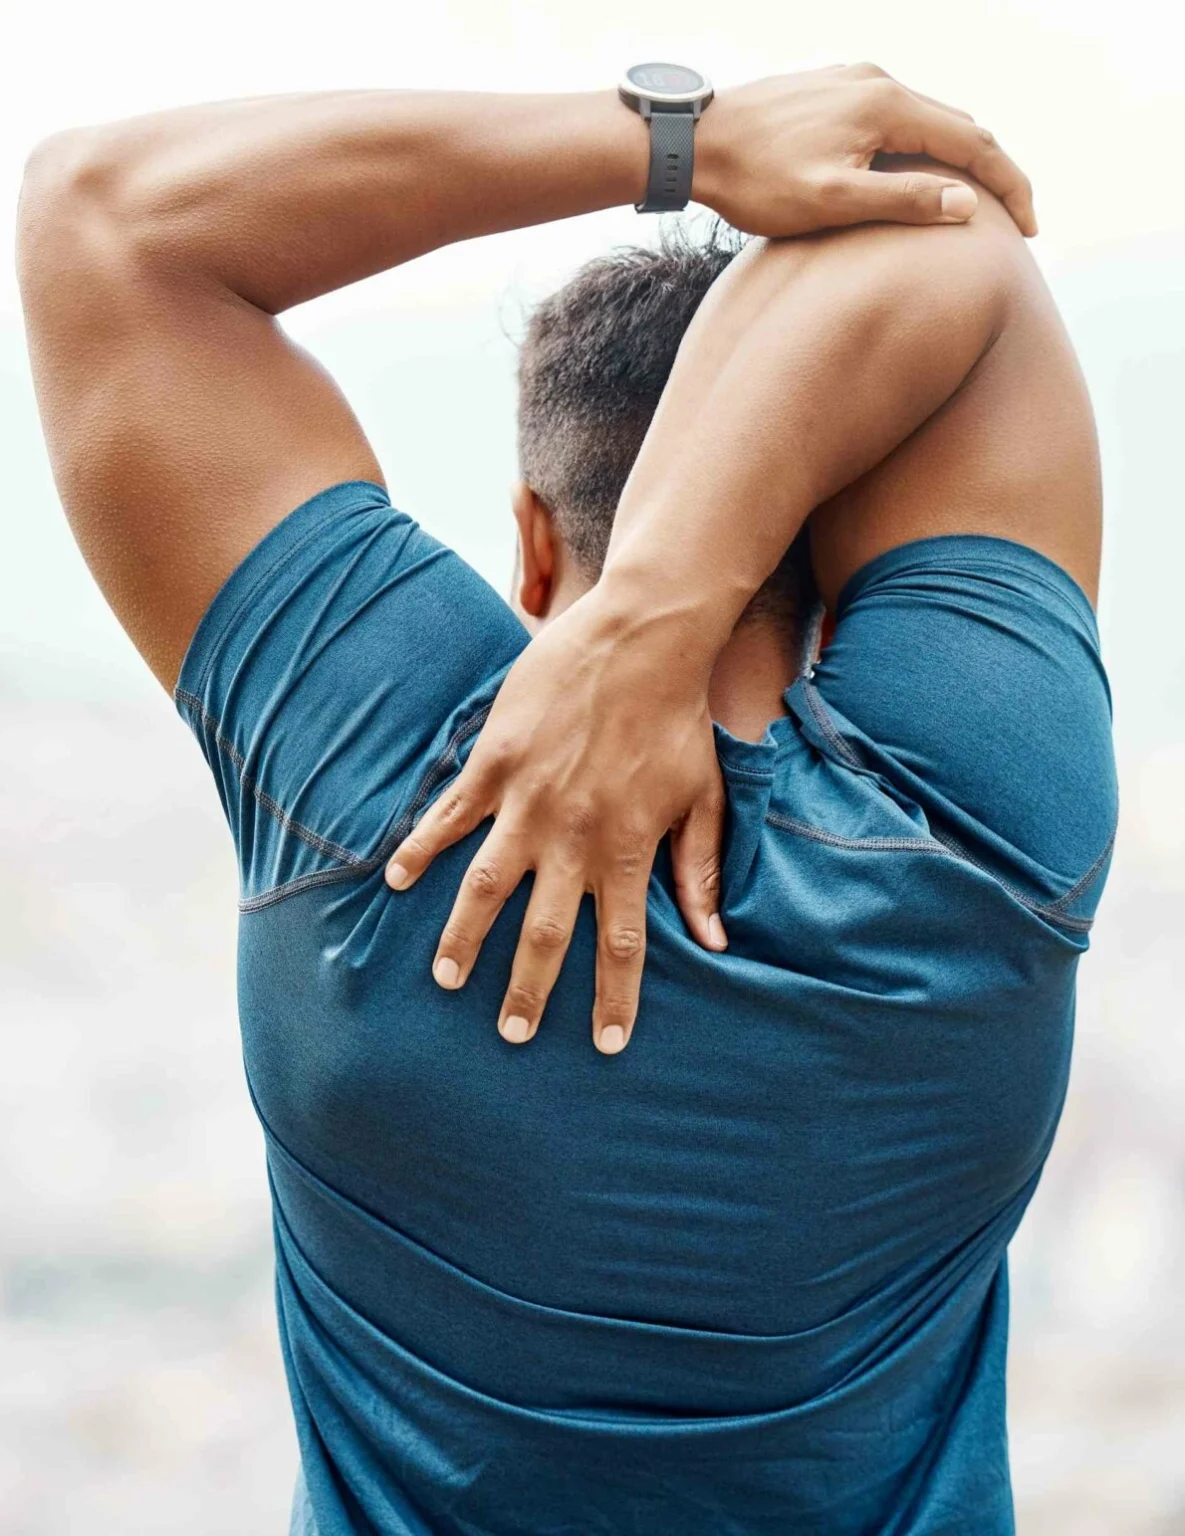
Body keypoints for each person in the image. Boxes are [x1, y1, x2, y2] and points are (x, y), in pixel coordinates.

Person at [16, 67, 1114, 1535]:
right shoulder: (975, 834)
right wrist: (671, 602)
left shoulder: (382, 796)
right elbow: (945, 228)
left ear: (533, 543)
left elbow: (102, 220)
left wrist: (683, 144)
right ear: (853, 539)